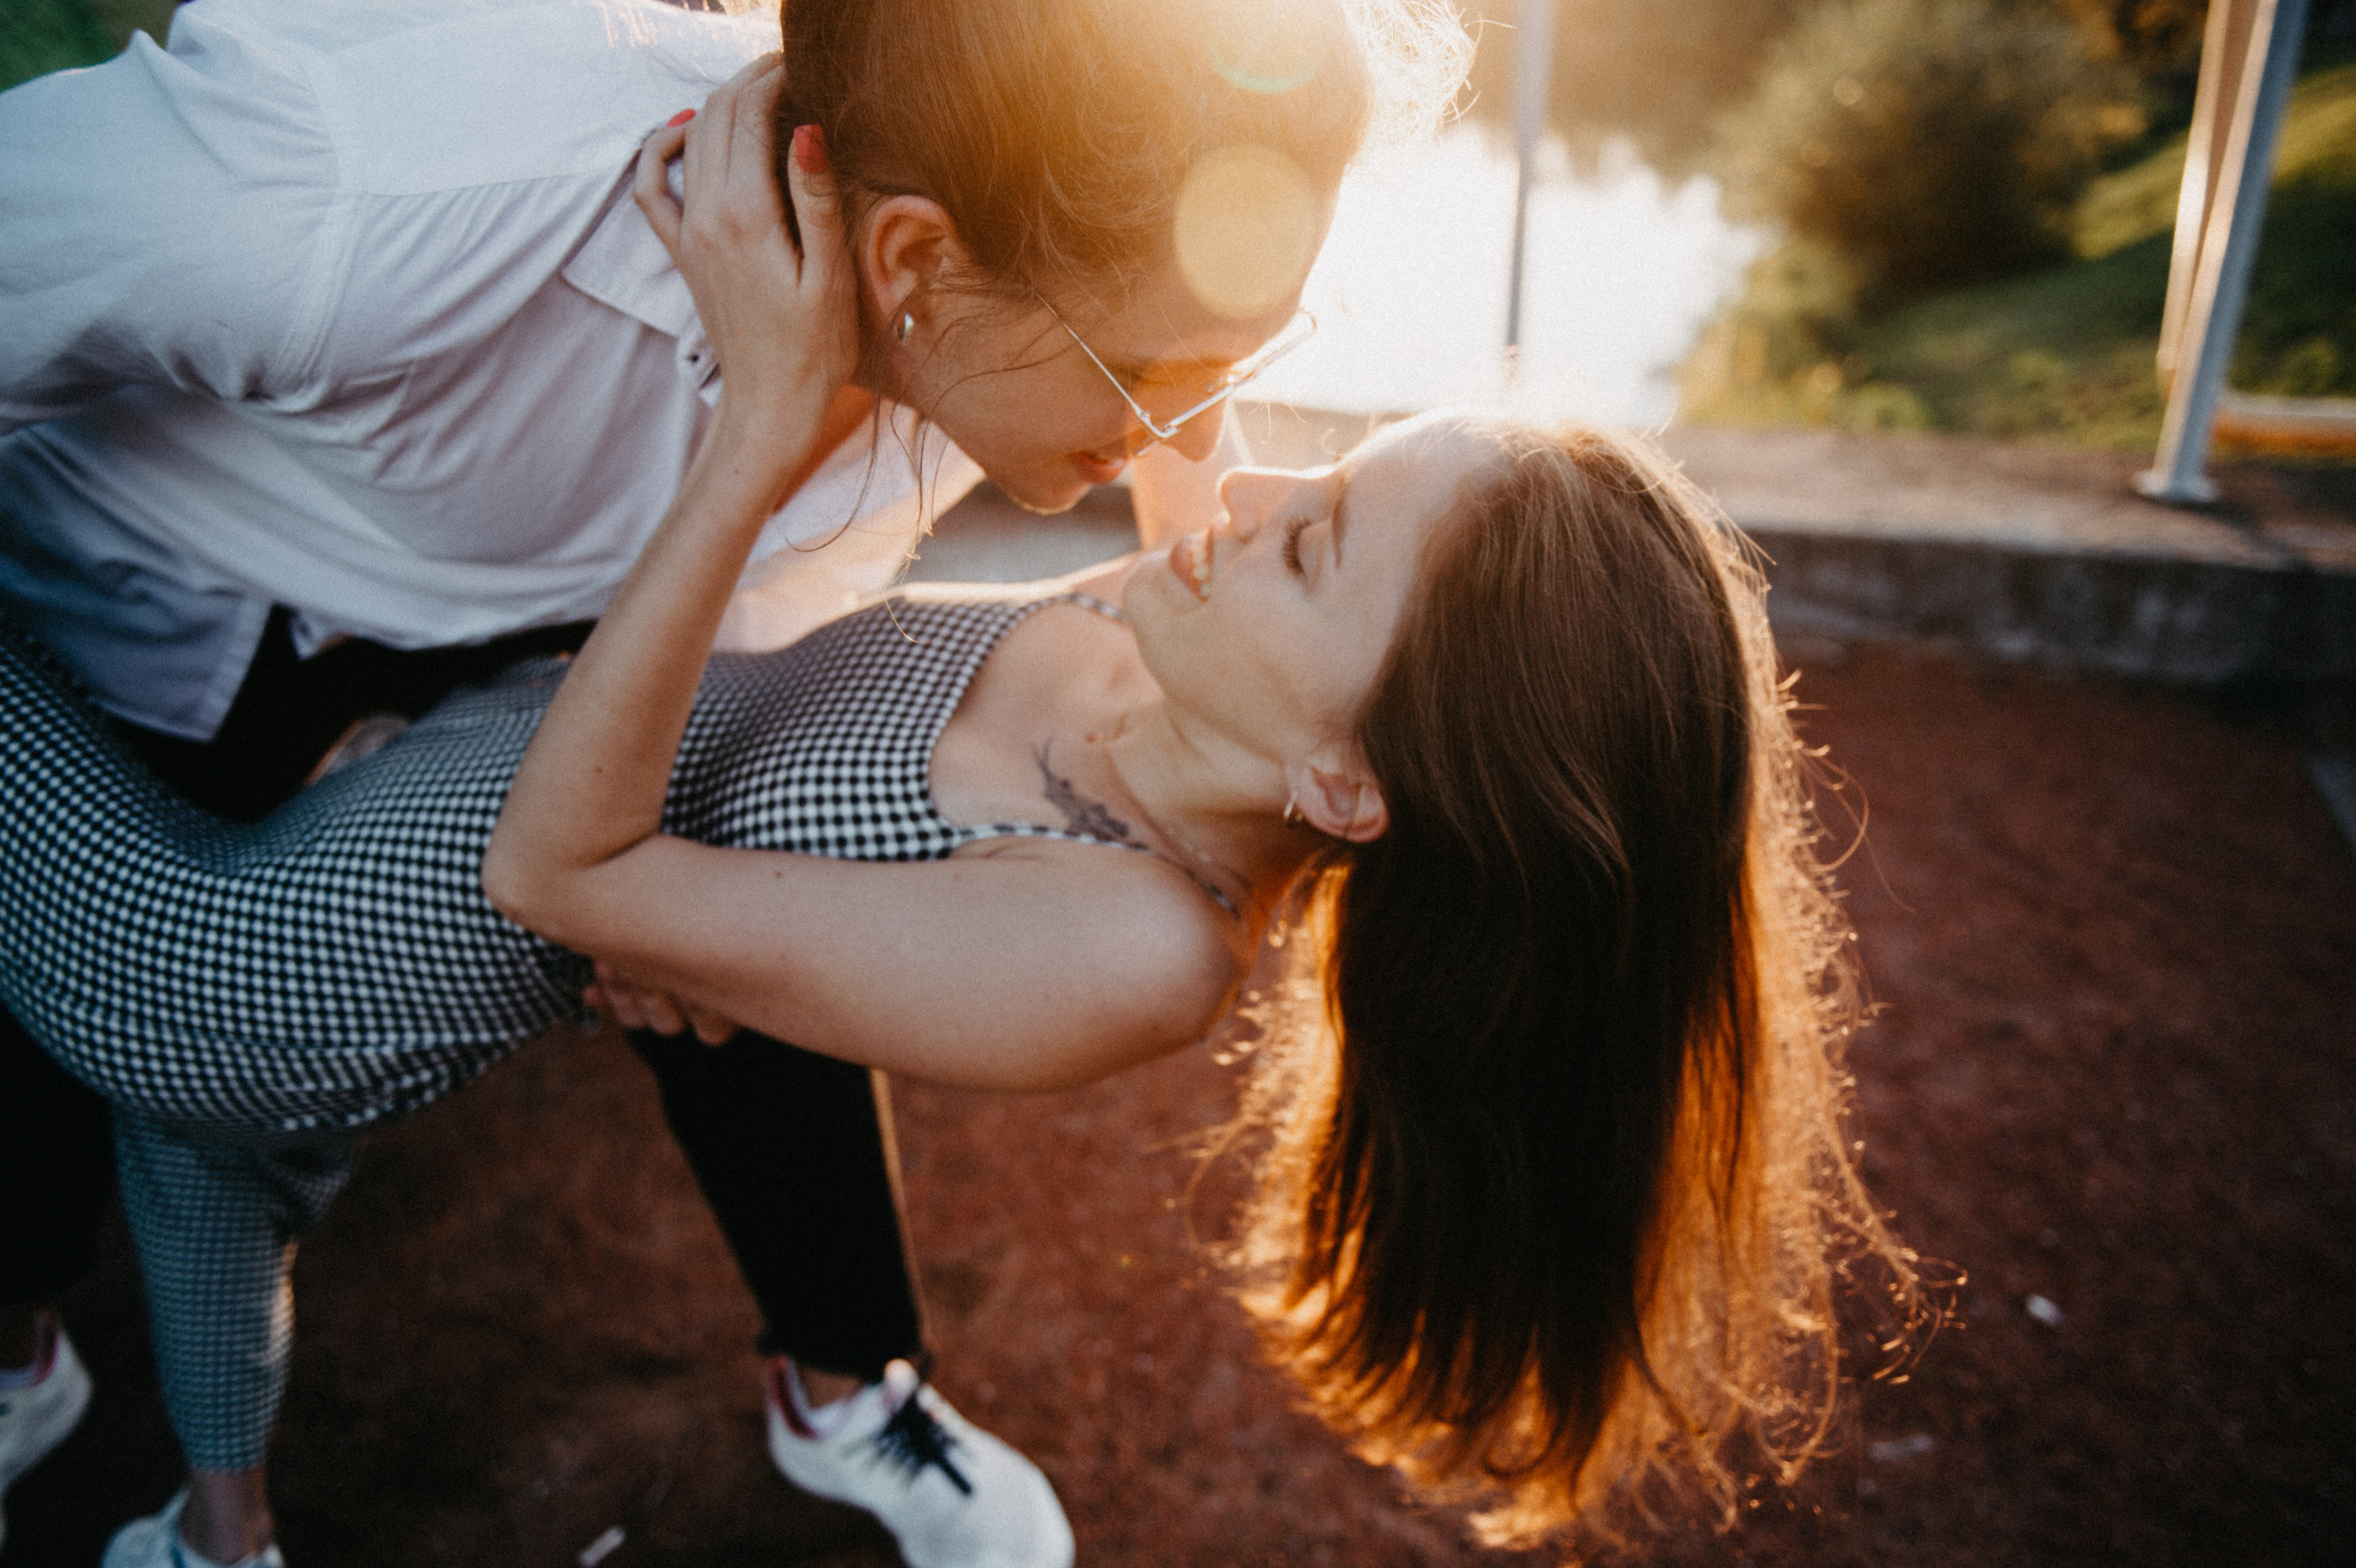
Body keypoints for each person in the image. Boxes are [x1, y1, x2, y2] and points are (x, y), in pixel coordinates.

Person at [4, 78, 1919, 1556]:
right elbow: (1109, 324)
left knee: (209, 1111)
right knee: (211, 1178)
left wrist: (762, 429)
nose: (1245, 486)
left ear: (1343, 784)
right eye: (1327, 453)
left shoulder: (1128, 940)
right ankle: (213, 1534)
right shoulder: (1197, 631)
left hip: (237, 958)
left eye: (1315, 530)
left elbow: (555, 876)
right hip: (397, 796)